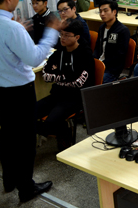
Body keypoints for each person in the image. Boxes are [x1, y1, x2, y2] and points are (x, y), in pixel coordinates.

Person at [0, 0, 60, 203]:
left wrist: (18, 32)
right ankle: (26, 188)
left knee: (7, 136)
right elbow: (35, 58)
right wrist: (51, 32)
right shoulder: (11, 28)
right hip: (20, 93)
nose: (20, 0)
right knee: (26, 141)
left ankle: (9, 180)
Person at [37, 20, 95, 151]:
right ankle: (63, 130)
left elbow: (78, 82)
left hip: (75, 98)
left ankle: (63, 131)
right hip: (57, 94)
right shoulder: (59, 52)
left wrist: (58, 75)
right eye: (61, 34)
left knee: (50, 123)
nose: (62, 38)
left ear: (77, 37)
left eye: (67, 35)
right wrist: (66, 76)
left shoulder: (85, 53)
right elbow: (45, 75)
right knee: (28, 113)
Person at [92, 0, 130, 83]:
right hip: (99, 64)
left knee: (96, 82)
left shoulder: (122, 30)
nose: (102, 14)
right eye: (100, 11)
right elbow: (97, 48)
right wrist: (94, 61)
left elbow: (119, 55)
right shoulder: (102, 28)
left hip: (112, 69)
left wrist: (102, 64)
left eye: (105, 11)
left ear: (114, 12)